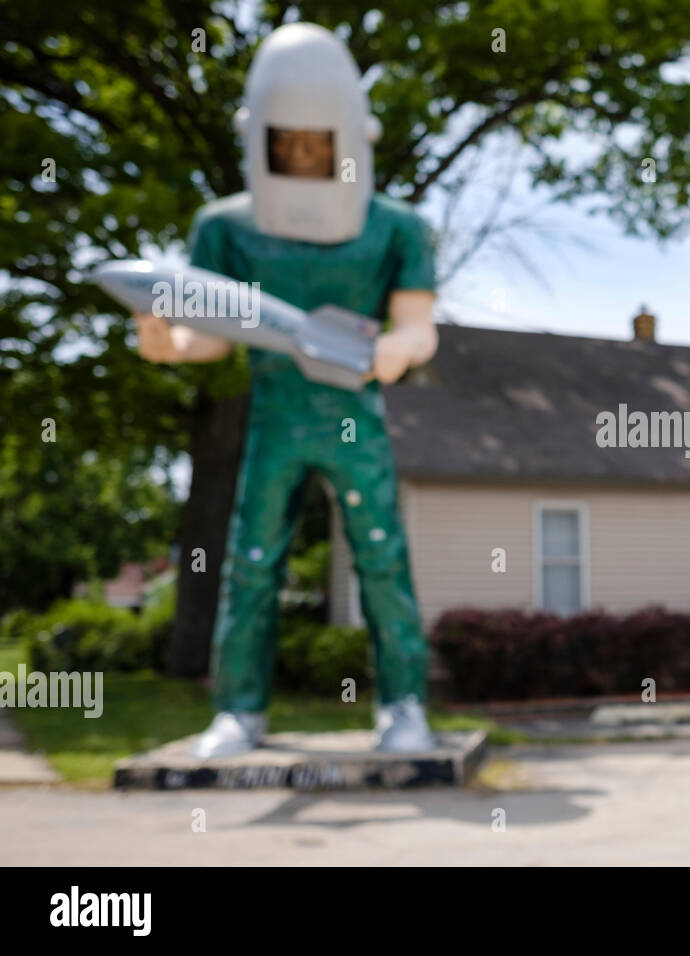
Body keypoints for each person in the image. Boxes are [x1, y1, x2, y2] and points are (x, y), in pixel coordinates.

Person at [134, 23, 439, 758]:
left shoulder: (395, 228)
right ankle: (238, 710)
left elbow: (417, 328)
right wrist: (163, 341)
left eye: (315, 141)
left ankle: (403, 706)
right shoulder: (224, 229)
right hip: (273, 414)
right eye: (287, 141)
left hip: (353, 414)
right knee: (250, 559)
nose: (302, 153)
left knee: (381, 556)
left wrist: (390, 353)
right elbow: (208, 337)